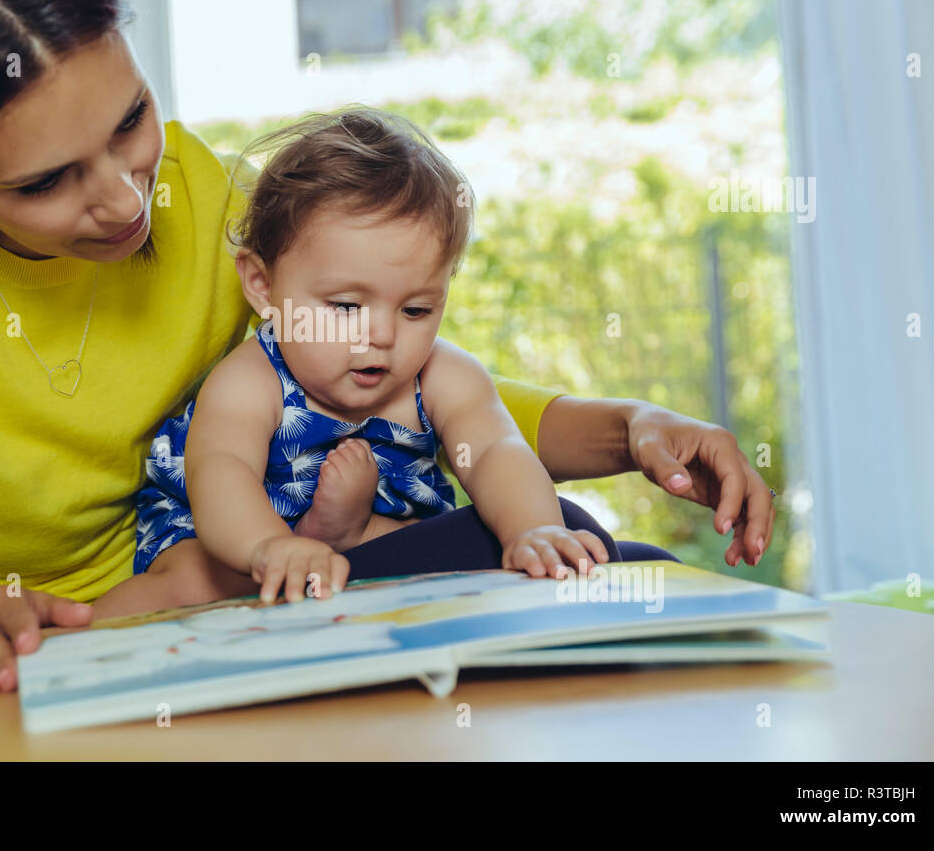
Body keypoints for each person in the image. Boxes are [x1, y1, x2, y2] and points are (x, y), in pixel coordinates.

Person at [0, 0, 776, 724]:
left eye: (130, 121)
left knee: (582, 566)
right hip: (30, 691)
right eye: (47, 183)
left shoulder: (195, 191)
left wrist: (635, 427)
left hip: (242, 631)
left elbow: (396, 385)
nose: (123, 198)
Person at [124, 108, 617, 610]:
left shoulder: (444, 377)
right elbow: (223, 472)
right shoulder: (251, 382)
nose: (381, 335)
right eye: (345, 306)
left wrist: (531, 528)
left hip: (375, 548)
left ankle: (352, 555)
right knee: (195, 583)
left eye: (416, 309)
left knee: (485, 543)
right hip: (231, 544)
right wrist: (270, 547)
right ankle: (56, 645)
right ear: (264, 286)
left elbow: (494, 452)